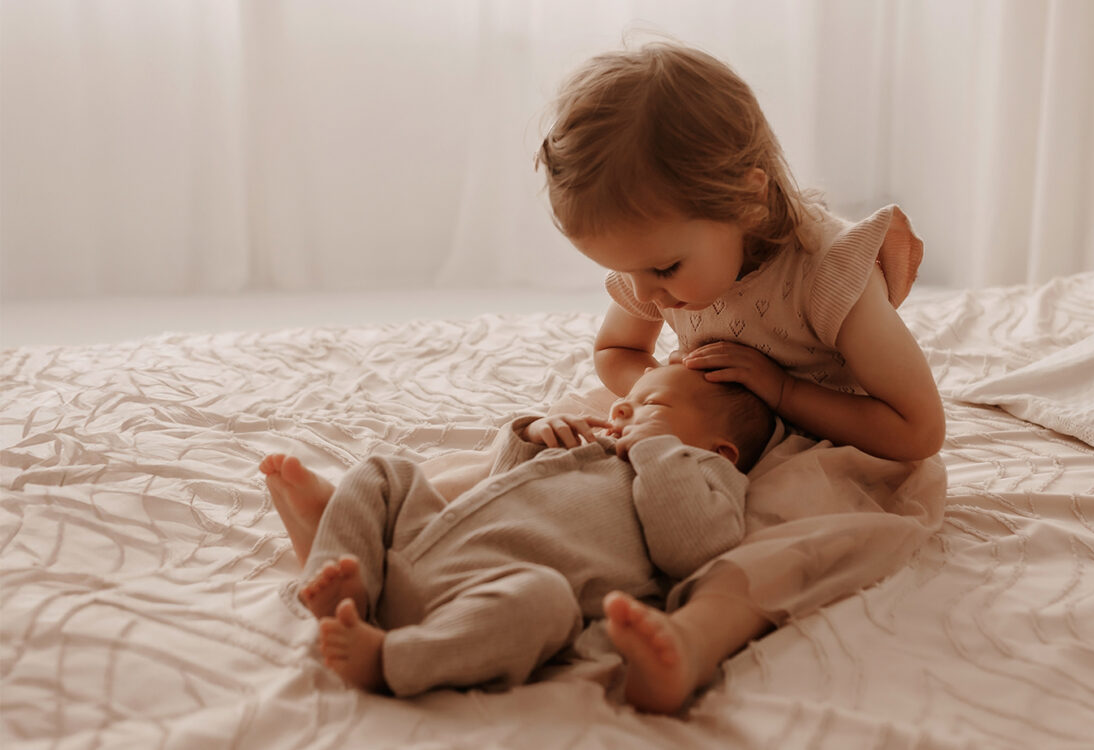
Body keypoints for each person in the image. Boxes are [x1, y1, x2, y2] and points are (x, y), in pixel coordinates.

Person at [534, 42, 946, 712]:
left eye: (662, 271)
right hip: (709, 435)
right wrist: (660, 397)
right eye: (625, 272)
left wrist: (781, 393)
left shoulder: (829, 273)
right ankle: (411, 531)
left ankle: (694, 639)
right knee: (556, 450)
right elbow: (616, 350)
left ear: (748, 200)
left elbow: (919, 430)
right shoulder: (660, 258)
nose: (647, 295)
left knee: (782, 540)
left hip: (831, 449)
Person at [260, 365, 774, 697]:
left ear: (720, 449)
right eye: (628, 401)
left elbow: (690, 549)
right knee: (385, 471)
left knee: (546, 600)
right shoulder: (599, 446)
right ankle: (344, 577)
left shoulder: (706, 475)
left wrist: (657, 448)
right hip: (429, 546)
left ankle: (389, 659)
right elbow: (499, 482)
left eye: (652, 405)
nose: (622, 410)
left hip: (496, 592)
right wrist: (532, 436)